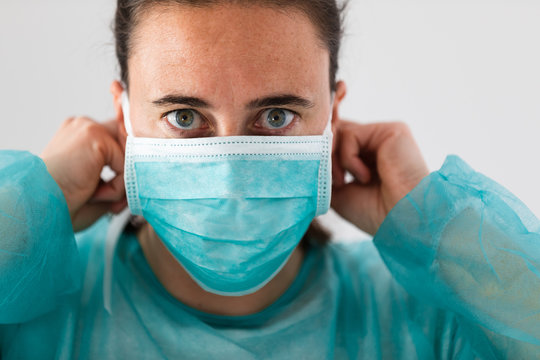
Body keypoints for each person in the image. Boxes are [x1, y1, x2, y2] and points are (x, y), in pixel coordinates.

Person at [0, 0, 539, 358]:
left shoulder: (421, 319)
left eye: (276, 116)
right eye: (184, 117)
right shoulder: (34, 313)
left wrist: (436, 224)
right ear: (123, 118)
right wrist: (22, 215)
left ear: (332, 116)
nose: (231, 171)